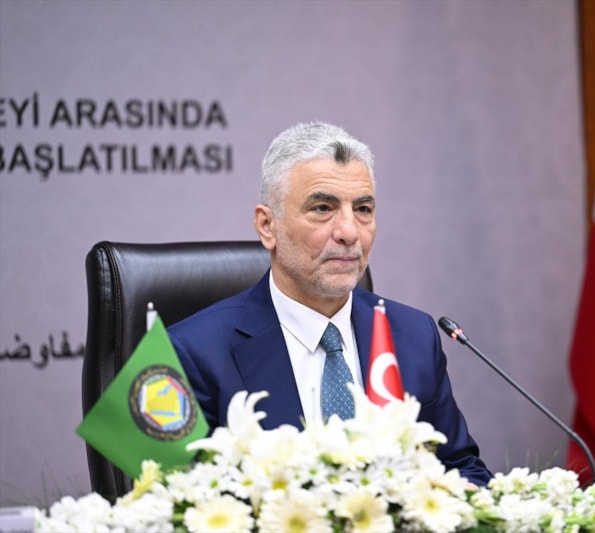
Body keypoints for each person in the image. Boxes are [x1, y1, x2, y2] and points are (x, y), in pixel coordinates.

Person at [168, 121, 492, 485]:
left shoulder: (413, 336)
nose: (350, 232)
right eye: (323, 208)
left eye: (363, 209)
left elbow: (462, 471)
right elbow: (182, 500)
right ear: (267, 226)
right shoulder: (195, 353)